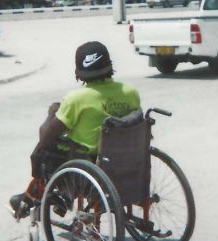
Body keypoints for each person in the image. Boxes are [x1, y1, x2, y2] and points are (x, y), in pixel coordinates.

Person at [8, 41, 141, 219]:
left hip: (89, 170)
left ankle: (61, 196)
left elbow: (48, 137)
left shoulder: (76, 99)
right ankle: (42, 196)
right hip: (127, 165)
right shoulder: (130, 92)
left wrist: (51, 114)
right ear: (109, 65)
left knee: (44, 151)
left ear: (80, 72)